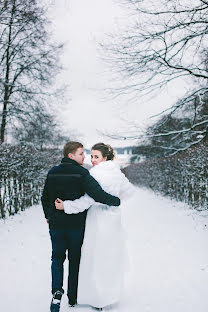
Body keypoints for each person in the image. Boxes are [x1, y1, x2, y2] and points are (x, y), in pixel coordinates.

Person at [41, 141, 120, 312]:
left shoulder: (52, 172)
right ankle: (72, 297)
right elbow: (98, 194)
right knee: (75, 260)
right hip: (76, 226)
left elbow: (45, 197)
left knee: (57, 258)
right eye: (81, 154)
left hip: (56, 225)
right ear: (71, 155)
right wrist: (116, 201)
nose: (84, 157)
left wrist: (48, 216)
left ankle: (56, 292)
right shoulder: (82, 174)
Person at [55, 143, 135, 310]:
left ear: (104, 158)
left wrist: (66, 206)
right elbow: (129, 192)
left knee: (96, 257)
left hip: (97, 217)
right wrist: (115, 199)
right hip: (113, 218)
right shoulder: (116, 172)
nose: (92, 160)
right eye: (91, 156)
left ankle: (98, 299)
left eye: (96, 156)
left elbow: (87, 200)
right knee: (110, 256)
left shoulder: (95, 174)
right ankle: (110, 295)